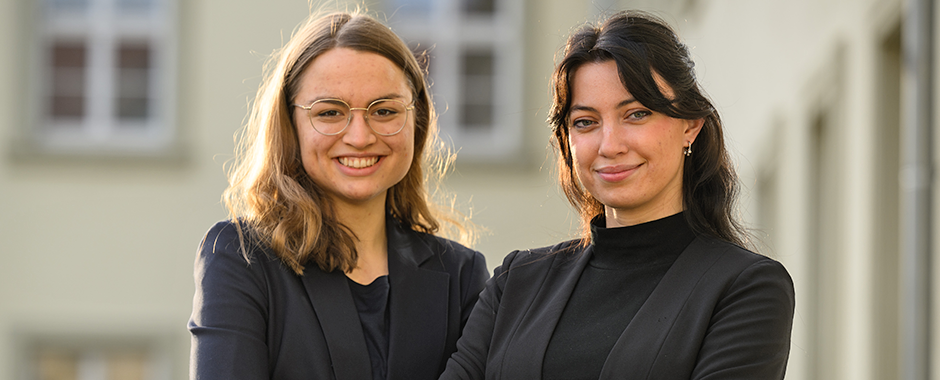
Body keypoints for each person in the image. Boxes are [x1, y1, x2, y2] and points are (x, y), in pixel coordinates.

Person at [441, 10, 795, 380]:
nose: (609, 145)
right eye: (585, 122)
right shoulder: (516, 282)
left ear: (690, 126)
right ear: (567, 141)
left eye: (637, 114)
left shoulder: (745, 288)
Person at [188, 10, 488, 380]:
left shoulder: (460, 275)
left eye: (384, 110)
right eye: (330, 112)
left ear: (417, 120)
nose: (360, 136)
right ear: (290, 124)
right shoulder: (241, 258)